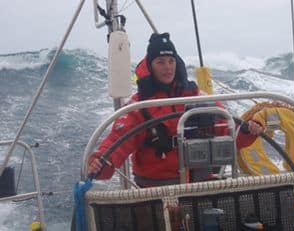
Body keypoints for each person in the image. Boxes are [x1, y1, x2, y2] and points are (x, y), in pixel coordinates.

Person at [87, 32, 263, 187]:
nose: (167, 67)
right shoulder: (140, 106)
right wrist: (100, 162)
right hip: (156, 190)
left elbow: (228, 131)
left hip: (199, 185)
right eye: (160, 62)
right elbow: (118, 141)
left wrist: (249, 130)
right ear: (150, 66)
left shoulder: (194, 96)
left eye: (171, 61)